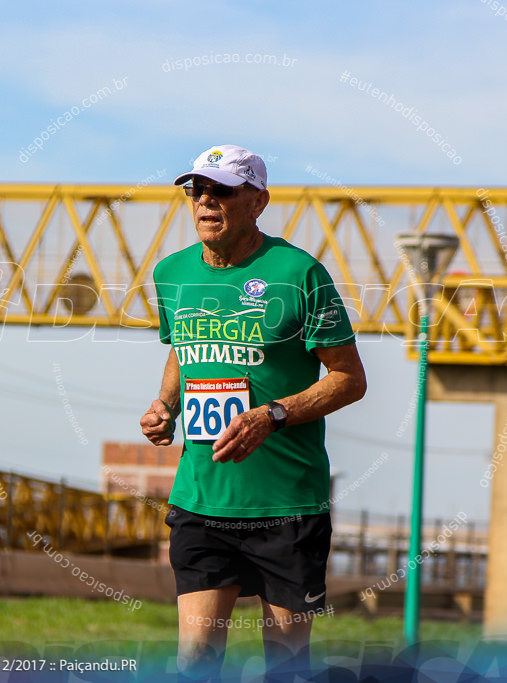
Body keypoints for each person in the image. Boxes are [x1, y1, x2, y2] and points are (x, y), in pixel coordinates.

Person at [139, 144, 367, 681]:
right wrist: (165, 405)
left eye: (222, 190)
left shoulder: (299, 273)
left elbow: (349, 379)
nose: (205, 201)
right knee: (195, 659)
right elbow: (182, 346)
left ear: (258, 200)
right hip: (202, 497)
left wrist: (272, 415)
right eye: (197, 190)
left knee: (285, 666)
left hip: (286, 505)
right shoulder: (171, 274)